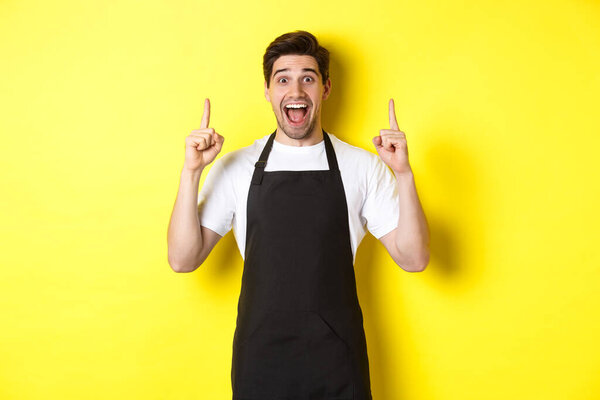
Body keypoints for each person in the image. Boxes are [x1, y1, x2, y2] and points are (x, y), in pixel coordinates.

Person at [167, 30, 430, 400]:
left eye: (308, 78)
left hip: (339, 364)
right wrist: (190, 172)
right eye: (283, 79)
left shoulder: (362, 166)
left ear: (325, 89)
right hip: (260, 363)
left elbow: (415, 258)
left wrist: (403, 174)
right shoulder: (236, 167)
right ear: (268, 90)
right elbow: (182, 259)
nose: (296, 91)